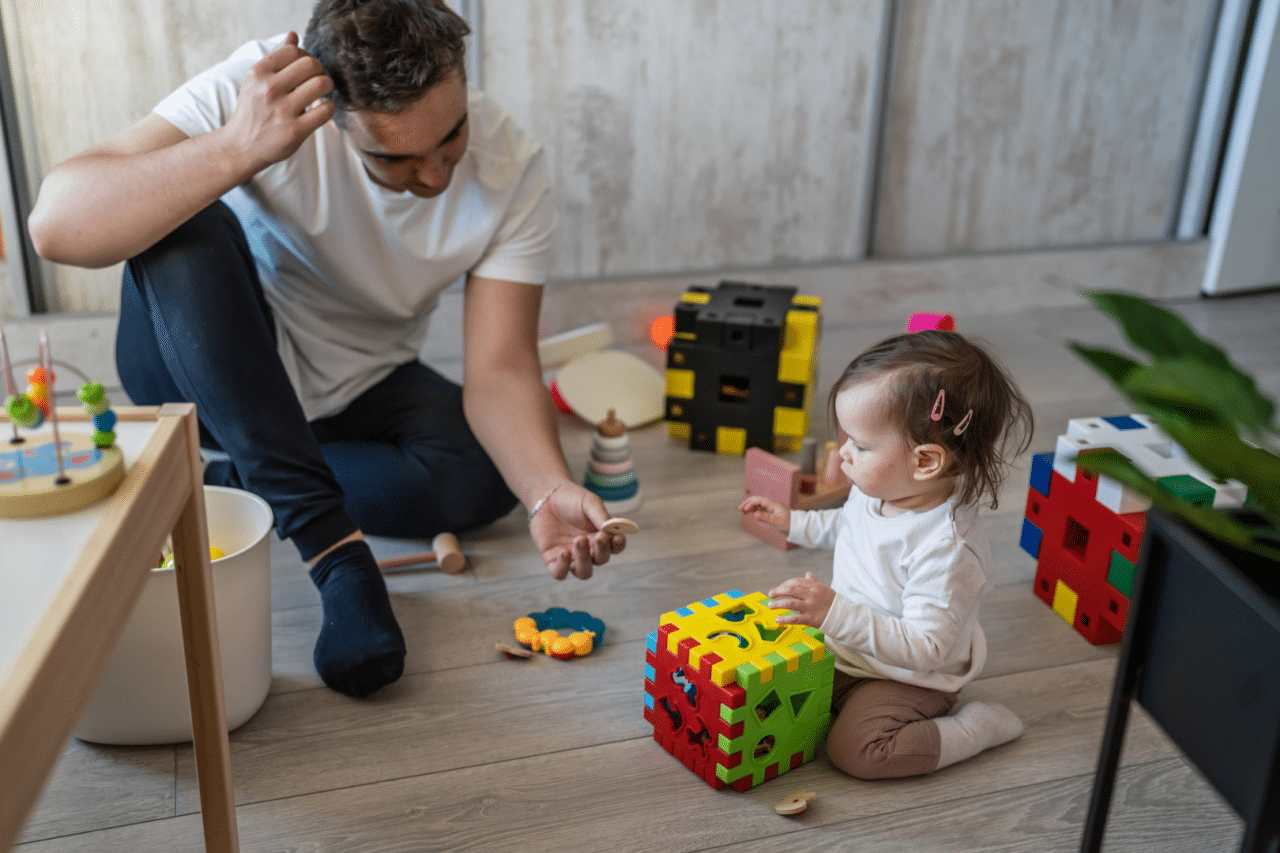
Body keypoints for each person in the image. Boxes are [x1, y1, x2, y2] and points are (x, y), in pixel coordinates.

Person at [27, 0, 625, 700]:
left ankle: (237, 479)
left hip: (357, 381)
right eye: (394, 158)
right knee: (178, 218)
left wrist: (545, 489)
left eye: (451, 135)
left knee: (484, 475)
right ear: (330, 112)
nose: (434, 176)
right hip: (210, 369)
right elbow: (55, 225)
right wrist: (235, 149)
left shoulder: (513, 167)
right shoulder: (261, 88)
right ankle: (333, 550)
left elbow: (498, 369)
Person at [739, 329, 1034, 779]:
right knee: (762, 682)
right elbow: (847, 527)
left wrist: (835, 614)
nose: (843, 453)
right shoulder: (882, 490)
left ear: (925, 462)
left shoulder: (947, 549)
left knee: (857, 752)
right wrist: (794, 523)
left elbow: (927, 648)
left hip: (909, 676)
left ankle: (975, 728)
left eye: (861, 444)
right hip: (849, 647)